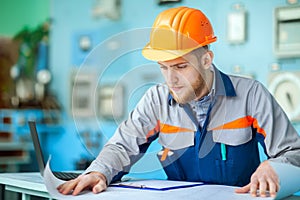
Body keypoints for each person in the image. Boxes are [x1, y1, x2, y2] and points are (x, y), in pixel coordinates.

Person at [57, 6, 300, 197]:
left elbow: (294, 152)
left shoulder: (250, 95)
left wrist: (275, 168)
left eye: (181, 66)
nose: (171, 78)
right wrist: (99, 171)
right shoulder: (156, 100)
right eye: (163, 67)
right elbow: (122, 146)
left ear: (206, 59)